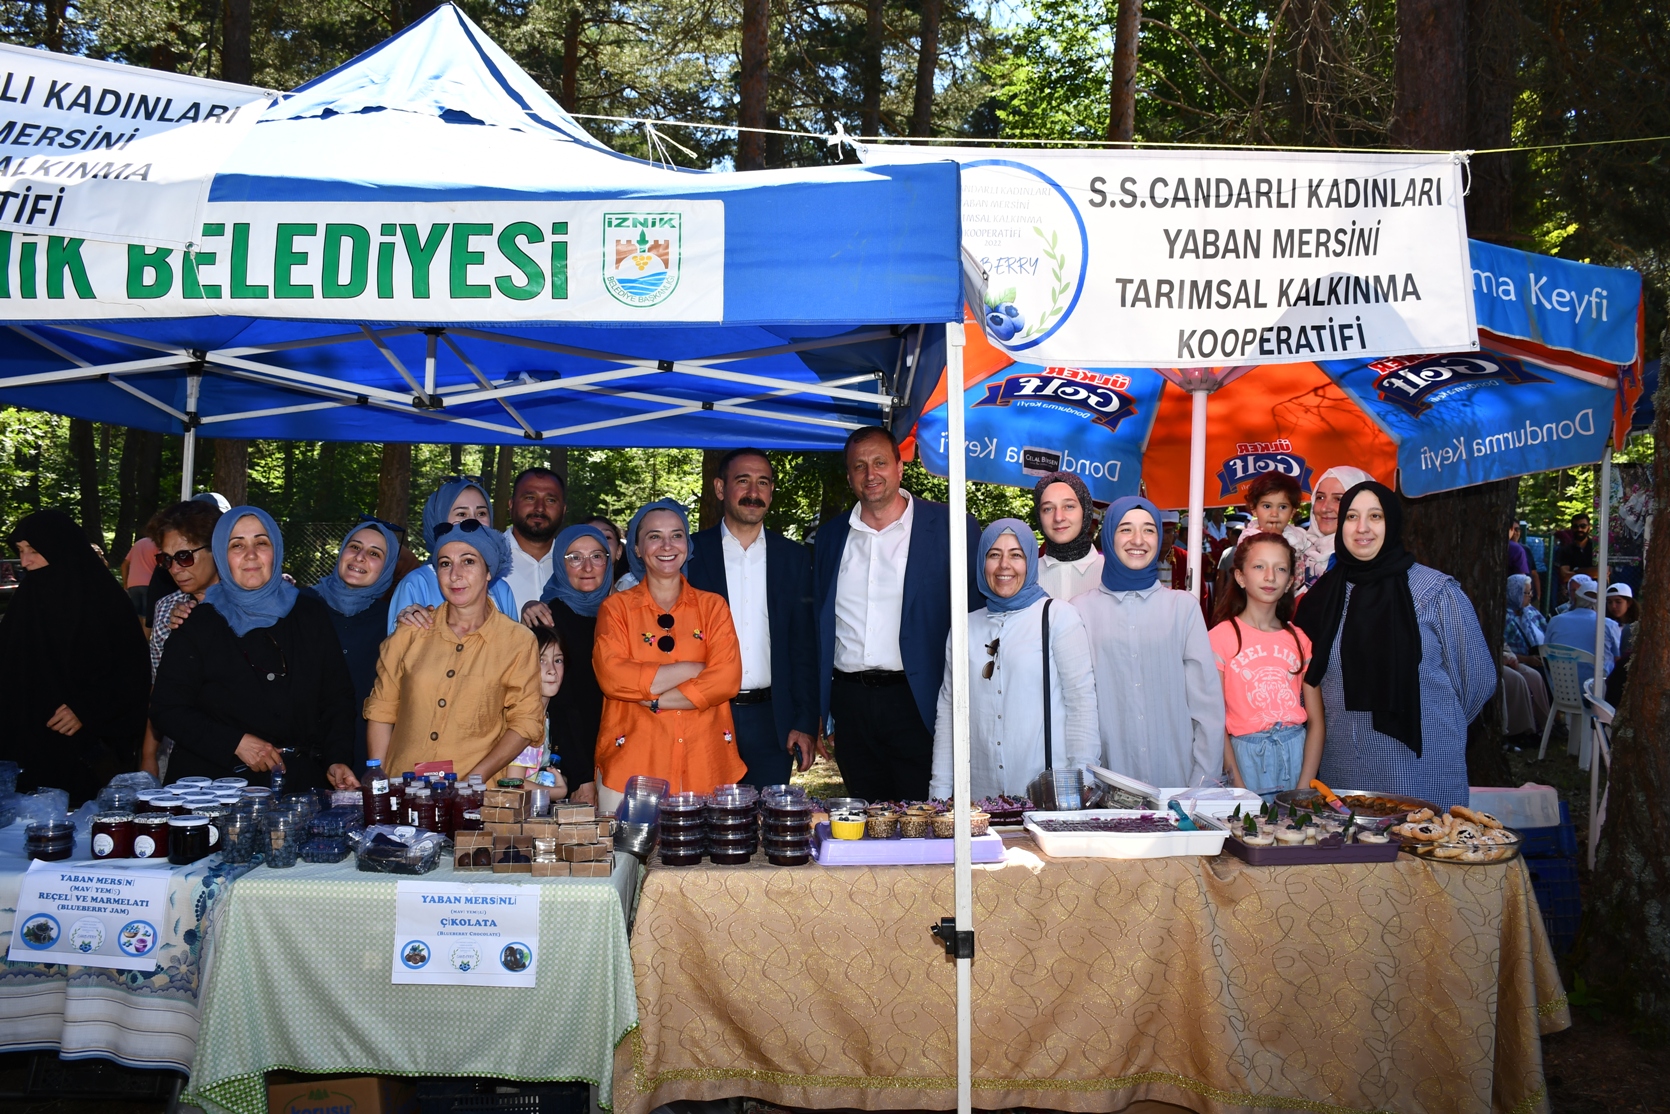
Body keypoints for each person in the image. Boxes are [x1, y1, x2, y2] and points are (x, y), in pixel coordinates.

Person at [1294, 482, 1494, 810]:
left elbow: (1477, 682)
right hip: (1341, 771)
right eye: (1352, 517)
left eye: (1375, 516)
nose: (1362, 528)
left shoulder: (1436, 592)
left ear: (1393, 522)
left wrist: (1434, 726)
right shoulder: (1320, 599)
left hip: (1421, 769)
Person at [813, 426, 980, 801]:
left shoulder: (951, 526)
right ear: (849, 476)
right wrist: (822, 709)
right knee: (868, 818)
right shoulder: (830, 537)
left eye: (880, 462)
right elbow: (820, 628)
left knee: (926, 816)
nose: (870, 474)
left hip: (920, 701)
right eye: (859, 466)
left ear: (900, 467)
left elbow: (976, 616)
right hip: (851, 705)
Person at [151, 507, 359, 792]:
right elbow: (166, 708)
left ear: (276, 550)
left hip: (298, 789)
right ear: (222, 556)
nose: (250, 555)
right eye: (237, 545)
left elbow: (337, 697)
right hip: (216, 791)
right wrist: (234, 743)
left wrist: (337, 759)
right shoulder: (197, 623)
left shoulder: (310, 613)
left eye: (261, 543)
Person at [928, 519, 1097, 800]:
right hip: (980, 799)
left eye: (1016, 555)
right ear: (982, 563)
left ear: (1030, 561)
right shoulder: (964, 627)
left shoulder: (1058, 617)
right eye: (994, 554)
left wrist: (1083, 782)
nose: (1004, 565)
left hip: (1047, 794)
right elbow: (949, 713)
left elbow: (1081, 704)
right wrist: (941, 793)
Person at [364, 518, 544, 780]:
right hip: (404, 788)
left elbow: (526, 722)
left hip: (474, 795)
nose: (455, 574)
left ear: (489, 571)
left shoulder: (517, 642)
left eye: (468, 561)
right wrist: (379, 780)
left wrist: (475, 778)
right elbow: (381, 709)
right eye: (445, 563)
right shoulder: (410, 631)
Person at [593, 499, 744, 811]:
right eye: (654, 536)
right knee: (626, 846)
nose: (667, 545)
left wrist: (655, 700)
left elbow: (727, 680)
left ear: (687, 545)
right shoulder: (616, 609)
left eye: (677, 535)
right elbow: (613, 676)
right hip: (631, 765)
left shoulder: (713, 607)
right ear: (637, 548)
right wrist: (695, 668)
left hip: (705, 763)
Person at [685, 449, 819, 787]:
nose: (753, 492)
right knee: (706, 815)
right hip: (706, 714)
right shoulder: (690, 555)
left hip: (771, 720)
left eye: (763, 483)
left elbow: (804, 646)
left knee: (768, 816)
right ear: (720, 488)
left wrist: (804, 721)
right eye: (743, 481)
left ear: (771, 491)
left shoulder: (793, 558)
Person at [0, 510, 151, 802]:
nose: (25, 561)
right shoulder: (26, 600)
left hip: (85, 751)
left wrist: (88, 708)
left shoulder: (105, 601)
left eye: (34, 550)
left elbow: (132, 673)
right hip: (23, 746)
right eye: (20, 551)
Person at [1074, 496, 1224, 788]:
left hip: (1179, 783)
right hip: (1106, 786)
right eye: (1126, 529)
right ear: (1109, 536)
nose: (1138, 540)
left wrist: (1200, 785)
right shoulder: (1080, 610)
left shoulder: (1183, 607)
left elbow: (1207, 706)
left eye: (1149, 529)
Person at [1209, 533, 1323, 801]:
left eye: (1280, 569)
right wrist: (1237, 785)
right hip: (1244, 760)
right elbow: (1215, 722)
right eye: (1259, 566)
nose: (1270, 576)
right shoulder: (1219, 638)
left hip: (1296, 756)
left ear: (1290, 582)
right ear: (1240, 577)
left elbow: (1317, 721)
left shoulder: (1300, 640)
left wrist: (1303, 789)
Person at [519, 524, 613, 805]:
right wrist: (582, 775)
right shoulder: (549, 620)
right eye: (575, 558)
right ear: (560, 564)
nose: (587, 567)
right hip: (571, 764)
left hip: (614, 751)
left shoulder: (620, 614)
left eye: (596, 556)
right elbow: (561, 706)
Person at [301, 520, 401, 769]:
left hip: (366, 746)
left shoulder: (392, 621)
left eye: (374, 554)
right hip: (302, 750)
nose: (360, 557)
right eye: (354, 547)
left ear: (387, 567)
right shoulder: (300, 605)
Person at [144, 499, 227, 778]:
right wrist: (148, 755)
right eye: (165, 560)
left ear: (216, 550)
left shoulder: (251, 604)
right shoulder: (166, 608)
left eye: (184, 556)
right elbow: (159, 689)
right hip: (180, 751)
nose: (175, 568)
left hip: (240, 753)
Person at [389, 477, 517, 632]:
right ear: (438, 520)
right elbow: (398, 644)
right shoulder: (415, 584)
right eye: (462, 514)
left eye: (481, 513)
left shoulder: (501, 589)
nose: (474, 521)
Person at [501, 467, 567, 614]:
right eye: (530, 498)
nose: (540, 508)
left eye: (550, 500)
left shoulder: (574, 563)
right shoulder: (485, 559)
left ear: (563, 510)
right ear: (511, 504)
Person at [1298, 465, 1375, 587]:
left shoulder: (1368, 565)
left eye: (1338, 499)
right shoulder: (1301, 552)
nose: (1325, 508)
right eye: (1320, 497)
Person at [1032, 472, 1103, 600]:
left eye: (1069, 506)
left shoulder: (1111, 572)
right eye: (1048, 509)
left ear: (1085, 510)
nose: (1058, 517)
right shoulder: (1025, 576)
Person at [1543, 578, 1620, 690]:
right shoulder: (1609, 625)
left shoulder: (1555, 621)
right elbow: (1618, 659)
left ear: (1576, 599)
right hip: (1598, 692)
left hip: (1561, 690)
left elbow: (1546, 654)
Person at [120, 526, 160, 620]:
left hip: (133, 584)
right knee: (147, 615)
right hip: (150, 584)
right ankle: (144, 630)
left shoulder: (137, 544)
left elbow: (124, 565)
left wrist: (125, 583)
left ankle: (135, 630)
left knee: (135, 615)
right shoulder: (158, 545)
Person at [1554, 513, 1597, 597]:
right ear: (1571, 528)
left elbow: (1601, 572)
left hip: (1596, 593)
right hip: (1575, 594)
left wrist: (1576, 571)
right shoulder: (1566, 550)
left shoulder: (1597, 548)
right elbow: (1564, 576)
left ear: (1589, 527)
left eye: (1583, 526)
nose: (1579, 529)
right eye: (1575, 526)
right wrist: (1590, 572)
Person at [1507, 521, 1541, 605]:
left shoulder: (1525, 549)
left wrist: (1538, 596)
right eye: (1512, 529)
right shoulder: (1515, 549)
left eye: (1517, 529)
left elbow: (1534, 573)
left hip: (1529, 597)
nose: (1515, 532)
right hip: (1514, 599)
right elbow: (1522, 578)